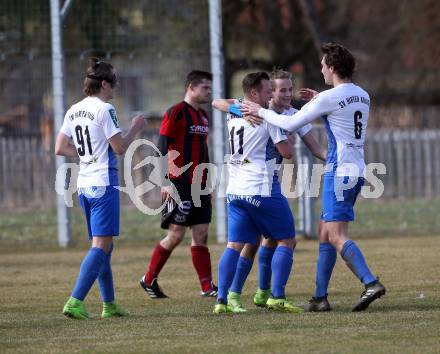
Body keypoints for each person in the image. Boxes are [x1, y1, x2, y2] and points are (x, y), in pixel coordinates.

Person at [241, 43, 386, 312]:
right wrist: (320, 99)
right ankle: (320, 297)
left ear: (331, 68)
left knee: (336, 235)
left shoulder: (329, 98)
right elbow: (342, 109)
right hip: (356, 170)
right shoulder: (362, 95)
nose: (320, 69)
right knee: (323, 233)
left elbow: (287, 124)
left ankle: (370, 282)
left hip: (338, 172)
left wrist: (258, 110)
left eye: (322, 66)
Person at [213, 69, 327, 312]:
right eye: (279, 90)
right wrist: (289, 139)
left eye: (289, 88)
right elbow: (287, 152)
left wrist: (334, 159)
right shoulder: (269, 116)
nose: (287, 94)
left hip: (236, 188)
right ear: (268, 93)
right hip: (261, 187)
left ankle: (230, 298)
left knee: (246, 243)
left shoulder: (281, 112)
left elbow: (316, 148)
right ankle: (269, 294)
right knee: (279, 240)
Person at [55, 57, 145, 319]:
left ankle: (110, 305)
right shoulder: (105, 110)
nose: (115, 88)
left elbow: (60, 147)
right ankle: (75, 301)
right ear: (104, 84)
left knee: (104, 245)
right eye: (113, 83)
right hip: (103, 182)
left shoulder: (73, 110)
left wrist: (87, 156)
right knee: (101, 245)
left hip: (84, 184)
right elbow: (119, 147)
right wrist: (136, 128)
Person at [139, 70, 218, 298]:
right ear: (191, 87)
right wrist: (165, 181)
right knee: (176, 235)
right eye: (205, 88)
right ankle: (148, 279)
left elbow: (203, 151)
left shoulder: (203, 116)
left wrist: (208, 181)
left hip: (199, 184)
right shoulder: (175, 113)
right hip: (178, 182)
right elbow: (162, 145)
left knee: (201, 233)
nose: (209, 92)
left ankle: (207, 287)